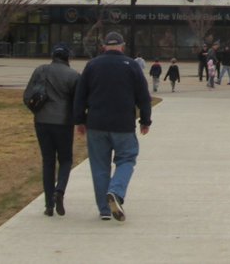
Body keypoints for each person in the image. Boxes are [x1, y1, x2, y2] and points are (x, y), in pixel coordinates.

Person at [73, 31, 151, 222]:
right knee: (127, 159)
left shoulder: (92, 65)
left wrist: (79, 120)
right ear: (122, 47)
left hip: (96, 123)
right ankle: (115, 191)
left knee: (99, 166)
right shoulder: (132, 66)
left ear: (104, 47)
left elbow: (80, 95)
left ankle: (104, 210)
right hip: (123, 124)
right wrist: (145, 121)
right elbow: (143, 96)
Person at [25, 44, 81, 217]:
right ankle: (60, 190)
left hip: (42, 121)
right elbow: (78, 103)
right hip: (63, 123)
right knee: (65, 159)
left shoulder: (40, 70)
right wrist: (78, 119)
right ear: (67, 58)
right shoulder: (73, 76)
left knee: (48, 161)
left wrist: (37, 111)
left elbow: (27, 96)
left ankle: (49, 204)